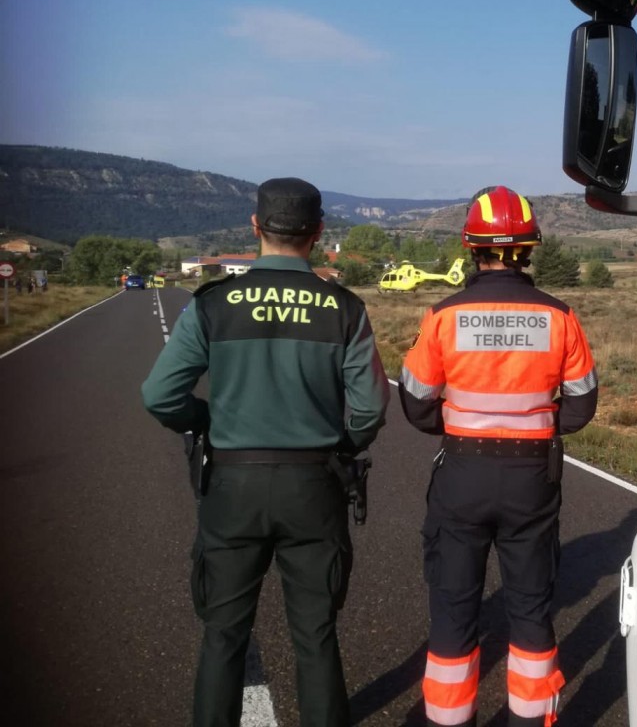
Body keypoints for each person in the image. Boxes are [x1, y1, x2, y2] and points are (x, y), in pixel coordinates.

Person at [141, 177, 391, 727]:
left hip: (233, 486)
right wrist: (340, 447)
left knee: (224, 637)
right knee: (317, 637)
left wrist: (203, 421)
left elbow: (159, 395)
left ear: (255, 228)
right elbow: (370, 410)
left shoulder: (213, 304)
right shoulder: (342, 307)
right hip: (314, 485)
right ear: (319, 233)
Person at [399, 186, 598, 727]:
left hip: (462, 473)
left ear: (472, 248)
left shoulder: (443, 315)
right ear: (529, 248)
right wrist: (535, 424)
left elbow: (416, 403)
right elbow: (582, 404)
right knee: (531, 609)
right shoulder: (560, 316)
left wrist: (460, 421)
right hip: (533, 478)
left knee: (455, 608)